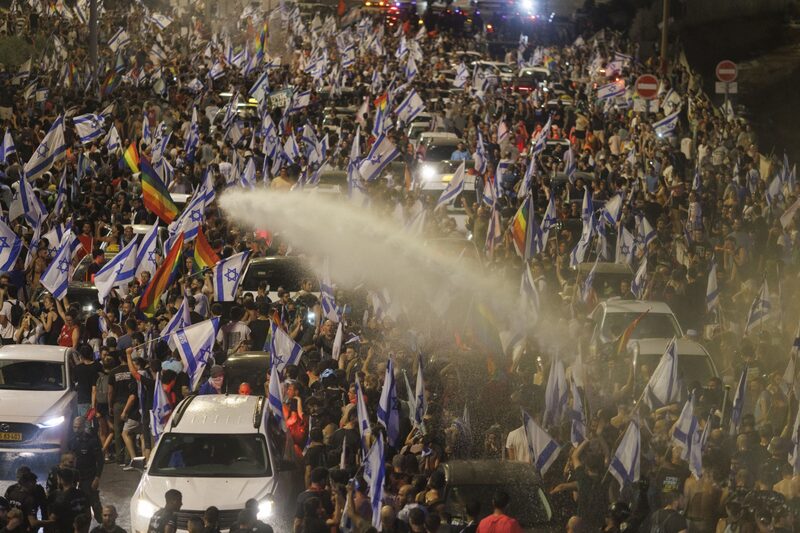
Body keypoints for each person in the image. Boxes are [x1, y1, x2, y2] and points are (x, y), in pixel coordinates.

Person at [67, 417, 103, 520]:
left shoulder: (92, 441)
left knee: (95, 506)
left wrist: (97, 477)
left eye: (78, 427)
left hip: (89, 477)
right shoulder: (72, 441)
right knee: (79, 509)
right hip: (75, 477)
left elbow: (100, 461)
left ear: (83, 427)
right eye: (74, 427)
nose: (76, 430)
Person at [49, 468, 89, 533]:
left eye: (58, 479)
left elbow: (52, 519)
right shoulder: (83, 494)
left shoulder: (61, 499)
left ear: (61, 480)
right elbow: (88, 515)